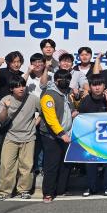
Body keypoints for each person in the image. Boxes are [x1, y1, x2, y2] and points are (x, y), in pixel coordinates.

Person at [0, 77, 40, 201]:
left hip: (29, 136)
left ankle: (23, 190)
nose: (21, 88)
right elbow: (1, 119)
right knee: (6, 165)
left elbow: (43, 112)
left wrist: (35, 123)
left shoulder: (33, 99)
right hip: (10, 136)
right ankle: (5, 191)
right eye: (17, 86)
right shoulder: (5, 100)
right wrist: (6, 108)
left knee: (26, 166)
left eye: (23, 86)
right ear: (11, 89)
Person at [38, 69, 75, 202]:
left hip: (66, 134)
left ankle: (60, 189)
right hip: (51, 136)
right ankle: (48, 193)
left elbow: (69, 109)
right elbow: (51, 119)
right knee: (51, 165)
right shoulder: (48, 95)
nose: (65, 81)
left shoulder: (67, 93)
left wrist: (73, 111)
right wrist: (61, 133)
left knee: (65, 165)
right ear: (55, 80)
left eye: (68, 79)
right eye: (62, 79)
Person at [77, 73, 107, 197]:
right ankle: (91, 187)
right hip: (90, 138)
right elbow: (80, 118)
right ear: (90, 87)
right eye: (94, 85)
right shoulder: (86, 100)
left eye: (100, 85)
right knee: (90, 162)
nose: (97, 88)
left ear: (104, 86)